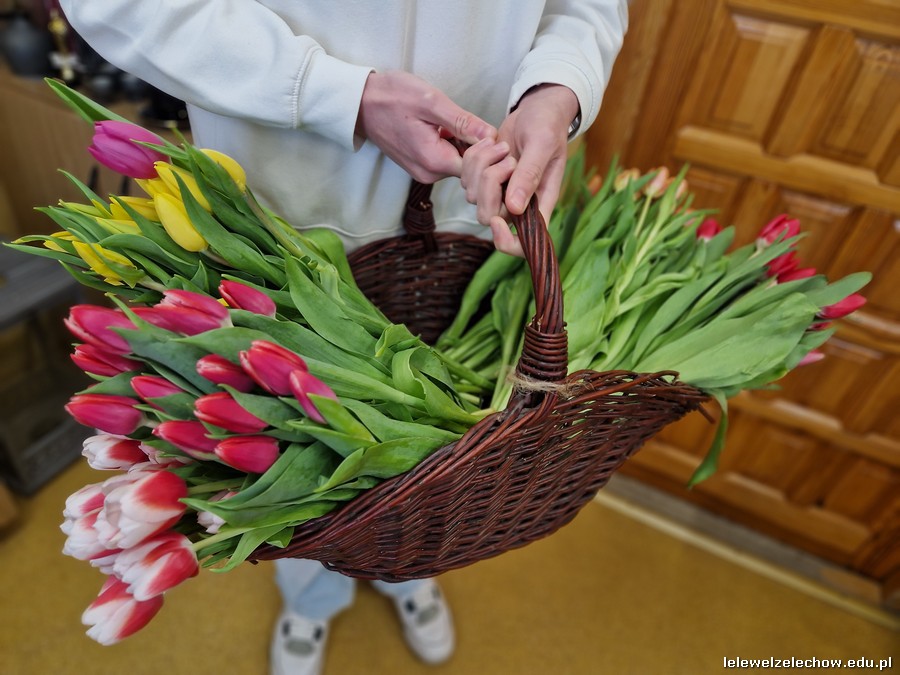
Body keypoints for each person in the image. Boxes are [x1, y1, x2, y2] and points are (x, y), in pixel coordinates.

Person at [57, 2, 628, 674]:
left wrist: (557, 87)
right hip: (286, 196)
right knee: (291, 441)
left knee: (441, 446)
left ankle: (409, 571)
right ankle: (312, 595)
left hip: (472, 194)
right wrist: (335, 95)